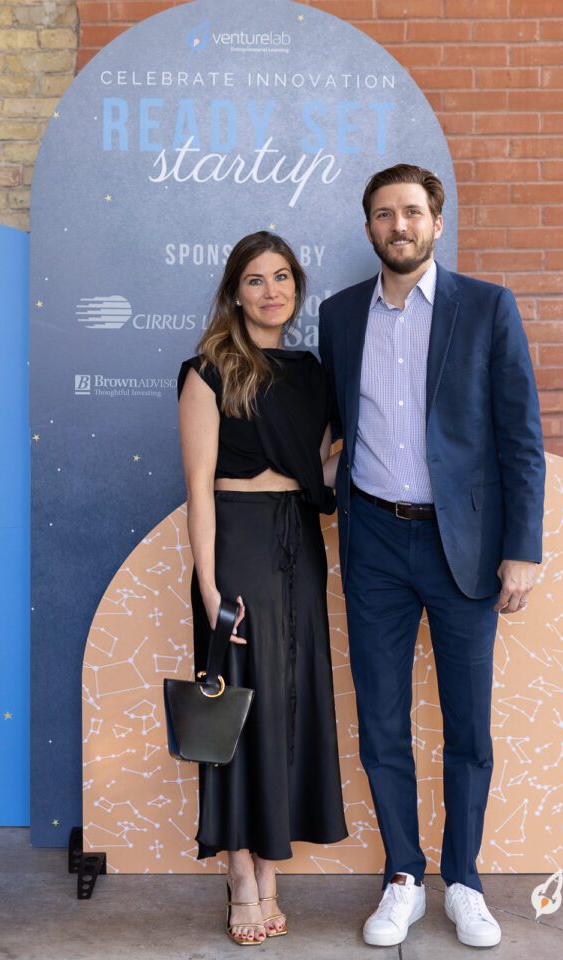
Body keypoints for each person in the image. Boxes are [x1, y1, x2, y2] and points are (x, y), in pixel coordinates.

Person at [318, 164, 545, 948]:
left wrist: (522, 551)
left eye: (412, 212)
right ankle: (404, 876)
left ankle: (466, 880)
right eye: (384, 215)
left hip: (466, 547)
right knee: (380, 719)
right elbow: (337, 425)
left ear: (437, 223)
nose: (399, 226)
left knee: (467, 726)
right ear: (370, 228)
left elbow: (521, 440)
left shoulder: (486, 308)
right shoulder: (340, 315)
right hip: (374, 539)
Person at [177, 231, 348, 946]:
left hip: (298, 542)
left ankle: (270, 866)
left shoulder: (312, 372)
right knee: (238, 709)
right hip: (238, 541)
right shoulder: (208, 368)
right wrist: (211, 587)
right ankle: (241, 873)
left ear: (296, 289)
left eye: (282, 277)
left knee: (288, 701)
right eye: (255, 279)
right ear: (234, 290)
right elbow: (198, 487)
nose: (270, 290)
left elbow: (324, 471)